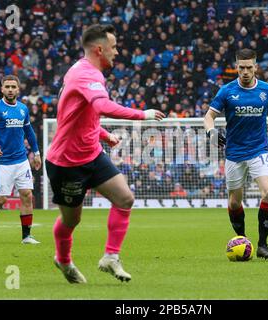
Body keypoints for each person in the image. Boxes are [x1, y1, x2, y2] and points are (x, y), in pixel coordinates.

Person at [45, 24, 165, 284]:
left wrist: (103, 135)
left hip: (92, 153)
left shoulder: (80, 70)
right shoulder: (87, 75)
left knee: (124, 198)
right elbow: (102, 105)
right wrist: (141, 114)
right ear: (99, 49)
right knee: (71, 219)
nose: (117, 52)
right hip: (66, 162)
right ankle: (63, 261)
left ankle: (111, 256)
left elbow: (80, 113)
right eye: (113, 47)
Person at [204, 48, 268, 260]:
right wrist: (211, 133)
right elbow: (209, 116)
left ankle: (262, 244)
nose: (245, 71)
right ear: (236, 67)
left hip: (259, 150)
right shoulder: (226, 91)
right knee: (234, 203)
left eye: (249, 67)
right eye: (241, 68)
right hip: (234, 153)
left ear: (256, 67)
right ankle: (242, 240)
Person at [0, 75, 42, 244]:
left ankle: (26, 236)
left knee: (26, 195)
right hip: (3, 162)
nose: (10, 89)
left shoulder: (23, 109)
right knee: (0, 200)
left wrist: (37, 152)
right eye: (7, 87)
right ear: (2, 89)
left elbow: (30, 133)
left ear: (18, 90)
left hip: (22, 160)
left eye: (13, 87)